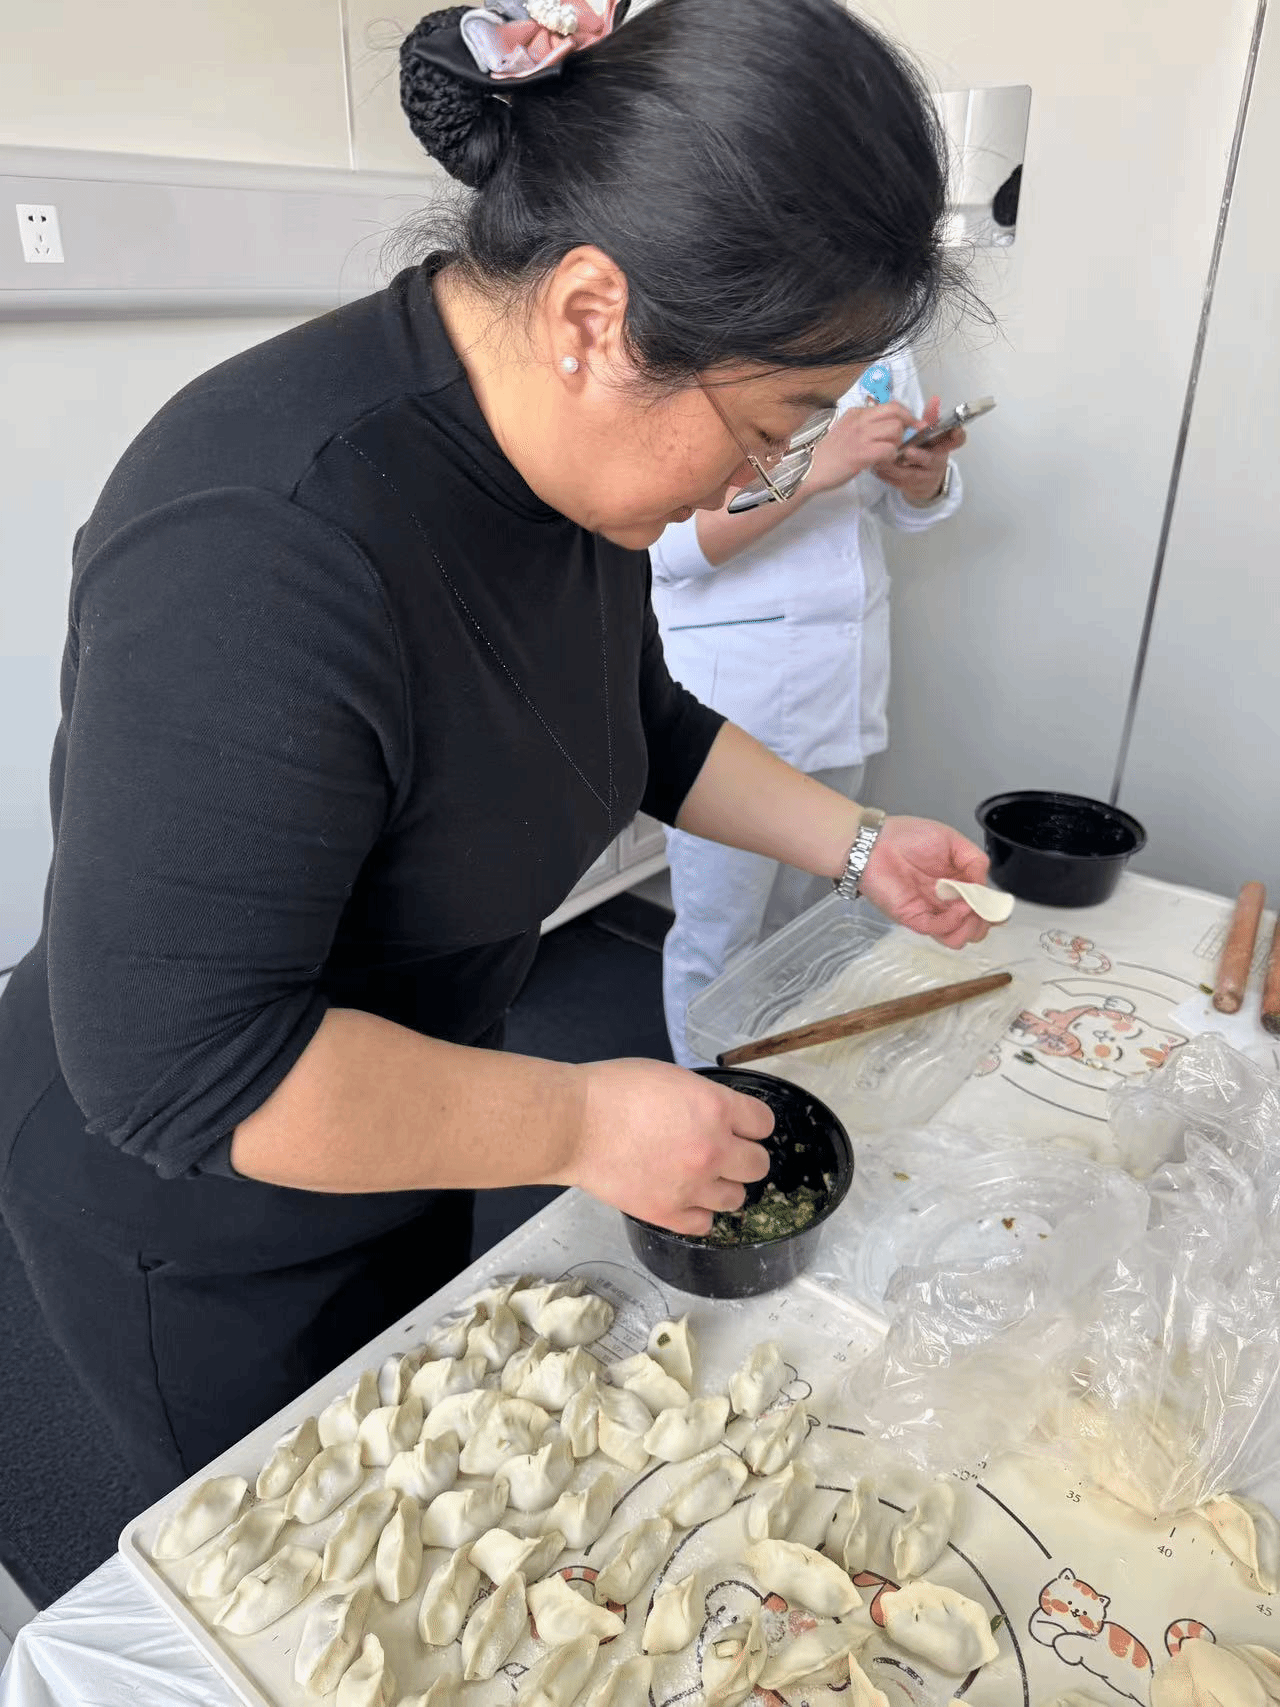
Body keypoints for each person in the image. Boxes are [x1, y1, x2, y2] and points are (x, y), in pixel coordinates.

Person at [0, 0, 993, 1499]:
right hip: (203, 1207)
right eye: (775, 426)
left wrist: (858, 846)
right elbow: (183, 1071)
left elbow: (637, 721)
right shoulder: (264, 540)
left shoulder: (569, 464)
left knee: (425, 1458)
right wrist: (582, 1117)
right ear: (594, 315)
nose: (765, 476)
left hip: (414, 1107)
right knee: (297, 1536)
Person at [653, 352, 966, 1064]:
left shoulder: (887, 343)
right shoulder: (704, 339)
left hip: (841, 681)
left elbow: (892, 507)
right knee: (719, 937)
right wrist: (815, 465)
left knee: (799, 923)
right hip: (734, 696)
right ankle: (710, 1095)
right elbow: (670, 548)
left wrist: (923, 476)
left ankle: (776, 1083)